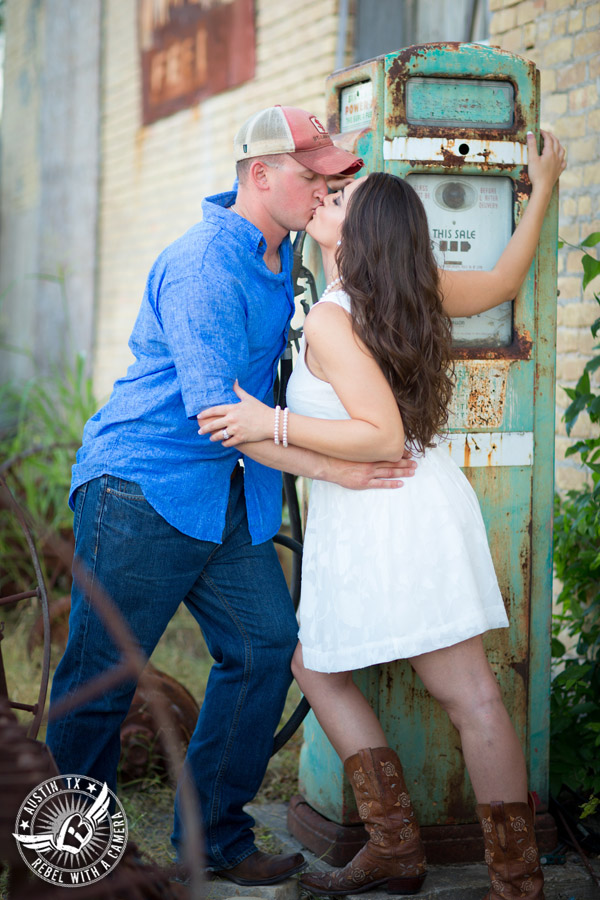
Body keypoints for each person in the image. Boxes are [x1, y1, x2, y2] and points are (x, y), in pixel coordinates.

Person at [46, 105, 425, 888]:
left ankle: (211, 837)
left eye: (332, 180)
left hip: (228, 492)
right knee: (103, 675)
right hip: (142, 484)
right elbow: (219, 414)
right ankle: (74, 859)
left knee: (263, 649)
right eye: (314, 178)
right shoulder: (203, 266)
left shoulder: (283, 250)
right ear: (261, 176)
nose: (328, 190)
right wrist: (336, 470)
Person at [198, 131, 566, 899]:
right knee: (333, 667)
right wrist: (542, 186)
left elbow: (381, 436)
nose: (327, 198)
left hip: (388, 512)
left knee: (457, 693)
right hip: (402, 505)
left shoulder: (335, 319)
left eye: (342, 200)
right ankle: (437, 857)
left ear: (363, 236)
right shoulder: (417, 285)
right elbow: (500, 280)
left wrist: (273, 424)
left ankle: (484, 871)